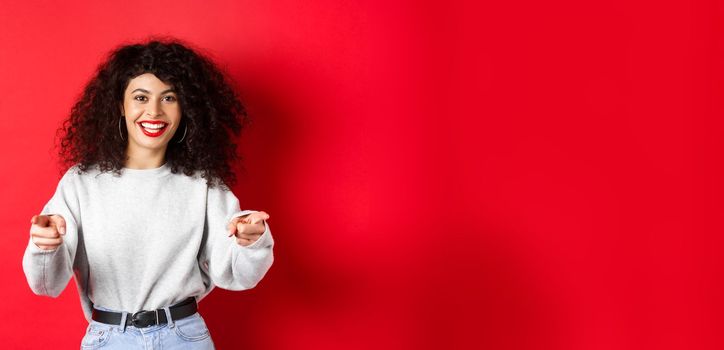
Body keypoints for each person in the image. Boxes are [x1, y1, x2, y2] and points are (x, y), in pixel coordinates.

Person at [21, 37, 275, 349]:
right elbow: (45, 283)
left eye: (169, 98)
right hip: (109, 339)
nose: (154, 111)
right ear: (120, 105)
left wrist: (250, 242)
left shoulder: (203, 185)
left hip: (184, 338)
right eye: (141, 98)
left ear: (186, 108)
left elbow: (238, 275)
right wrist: (45, 246)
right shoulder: (81, 183)